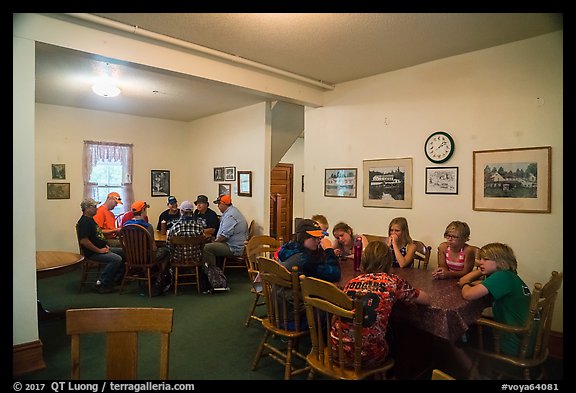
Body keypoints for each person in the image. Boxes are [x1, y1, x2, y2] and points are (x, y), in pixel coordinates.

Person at [336, 240, 430, 368]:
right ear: (388, 262)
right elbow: (426, 299)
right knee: (398, 335)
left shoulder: (352, 282)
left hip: (337, 351)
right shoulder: (393, 281)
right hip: (367, 356)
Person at [458, 242, 531, 356]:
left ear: (501, 262)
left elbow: (468, 294)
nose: (480, 262)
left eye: (486, 259)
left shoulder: (501, 276)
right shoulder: (508, 275)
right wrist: (482, 269)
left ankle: (474, 369)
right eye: (481, 258)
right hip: (528, 337)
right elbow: (465, 280)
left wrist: (464, 284)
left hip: (515, 340)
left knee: (462, 337)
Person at [76, 198, 124, 294]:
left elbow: (97, 236)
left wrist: (104, 246)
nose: (96, 209)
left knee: (124, 252)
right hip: (93, 253)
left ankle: (115, 279)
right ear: (87, 208)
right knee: (116, 259)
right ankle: (101, 283)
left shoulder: (91, 220)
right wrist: (99, 250)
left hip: (102, 248)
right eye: (94, 207)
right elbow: (84, 241)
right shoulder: (85, 222)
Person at [278, 219, 341, 283]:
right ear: (303, 237)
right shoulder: (305, 260)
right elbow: (335, 275)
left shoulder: (289, 248)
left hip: (281, 292)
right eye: (314, 237)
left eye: (319, 237)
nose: (318, 241)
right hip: (299, 292)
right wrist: (329, 249)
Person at [202, 194, 248, 271]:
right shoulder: (232, 211)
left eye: (219, 204)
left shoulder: (230, 215)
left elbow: (224, 236)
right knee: (210, 243)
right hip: (233, 244)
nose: (218, 206)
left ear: (223, 204)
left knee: (206, 248)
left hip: (233, 247)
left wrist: (214, 242)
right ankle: (214, 269)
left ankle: (212, 273)